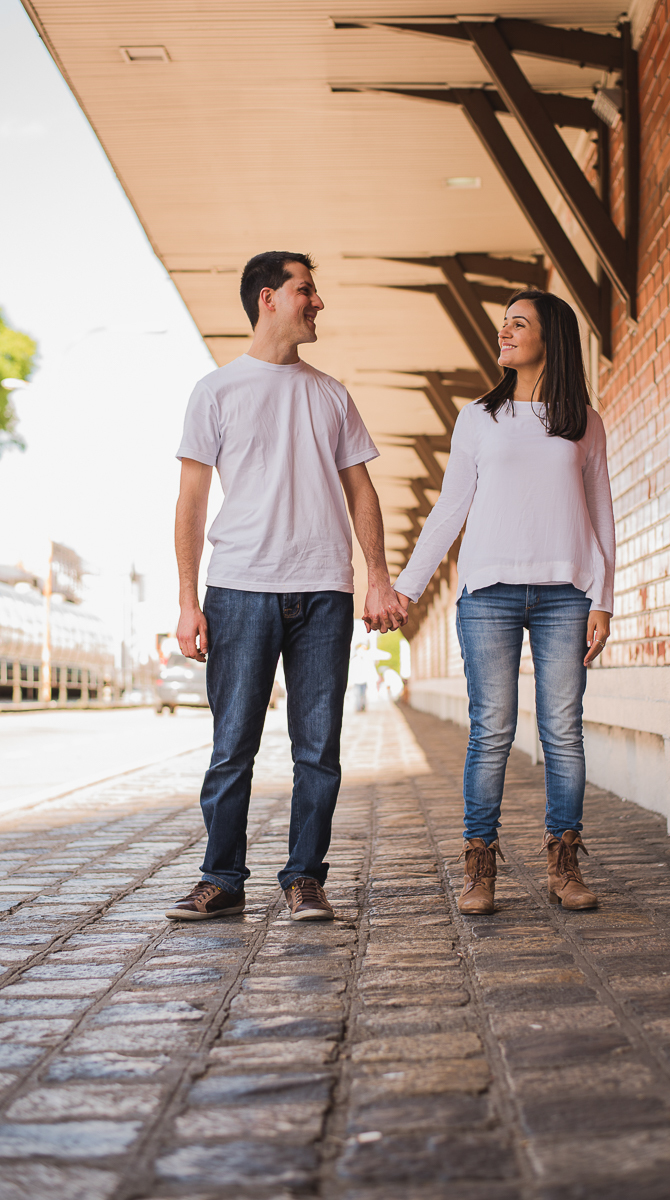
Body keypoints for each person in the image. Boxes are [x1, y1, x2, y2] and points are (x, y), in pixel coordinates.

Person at [165, 251, 407, 923]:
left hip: (324, 591)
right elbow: (191, 502)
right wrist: (187, 601)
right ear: (268, 298)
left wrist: (378, 577)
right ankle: (221, 878)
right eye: (306, 289)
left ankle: (305, 878)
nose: (317, 301)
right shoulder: (216, 391)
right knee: (231, 748)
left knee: (318, 750)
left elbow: (361, 491)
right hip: (239, 589)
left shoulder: (331, 394)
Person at [395, 289, 615, 915]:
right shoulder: (477, 418)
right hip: (487, 593)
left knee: (562, 731)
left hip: (566, 594)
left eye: (520, 323)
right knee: (491, 729)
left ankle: (564, 863)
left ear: (552, 337)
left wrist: (603, 600)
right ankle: (480, 865)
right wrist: (407, 588)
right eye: (504, 324)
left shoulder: (584, 422)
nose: (505, 332)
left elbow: (601, 515)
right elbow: (449, 509)